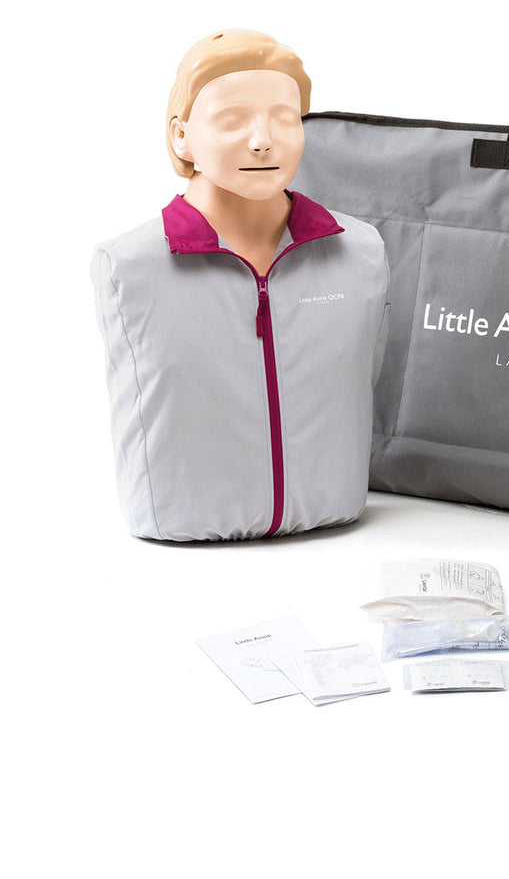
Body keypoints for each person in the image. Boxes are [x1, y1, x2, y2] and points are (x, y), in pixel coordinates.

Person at [92, 30, 390, 542]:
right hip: (178, 522)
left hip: (337, 513)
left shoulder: (359, 252)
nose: (263, 140)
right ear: (181, 136)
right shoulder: (129, 265)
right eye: (233, 119)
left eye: (285, 118)